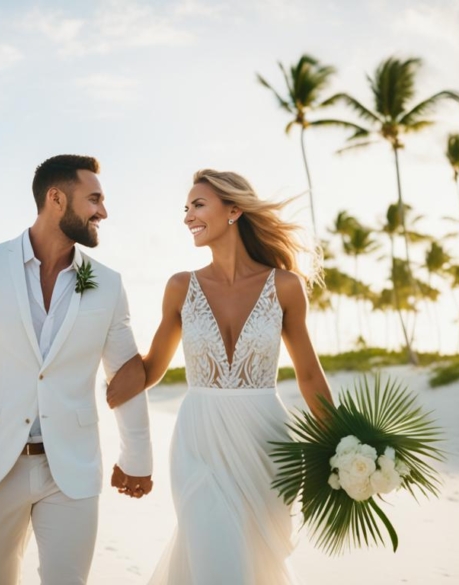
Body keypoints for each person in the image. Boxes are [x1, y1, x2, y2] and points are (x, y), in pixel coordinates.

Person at [0, 154, 154, 585]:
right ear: (56, 199)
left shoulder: (108, 284)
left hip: (72, 467)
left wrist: (137, 457)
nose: (103, 211)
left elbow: (125, 375)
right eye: (94, 199)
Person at [106, 169, 335, 584]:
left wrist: (343, 441)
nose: (187, 216)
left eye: (197, 205)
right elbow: (152, 368)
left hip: (268, 446)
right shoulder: (180, 287)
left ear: (234, 210)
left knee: (256, 565)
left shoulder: (285, 286)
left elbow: (309, 376)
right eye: (186, 207)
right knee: (215, 556)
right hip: (199, 444)